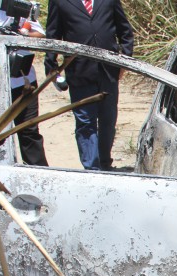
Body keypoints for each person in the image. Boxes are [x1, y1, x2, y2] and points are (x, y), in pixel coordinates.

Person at [44, 0, 134, 170]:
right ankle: (92, 168)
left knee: (108, 120)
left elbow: (124, 29)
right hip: (79, 71)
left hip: (108, 70)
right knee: (85, 122)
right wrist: (52, 68)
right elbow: (53, 34)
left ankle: (105, 162)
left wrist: (125, 59)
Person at [0, 1, 49, 166]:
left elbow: (40, 34)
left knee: (29, 132)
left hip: (22, 80)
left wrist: (21, 36)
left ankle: (39, 179)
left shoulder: (20, 5)